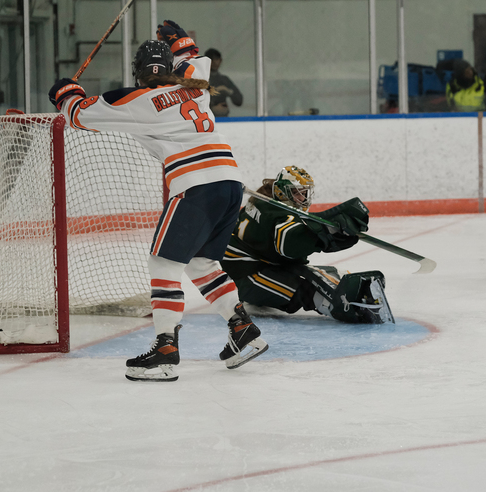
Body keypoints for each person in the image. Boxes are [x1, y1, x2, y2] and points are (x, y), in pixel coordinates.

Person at [48, 34, 268, 382]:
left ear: (137, 73)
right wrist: (180, 41)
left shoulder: (135, 99)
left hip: (195, 185)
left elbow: (77, 115)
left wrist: (64, 89)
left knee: (162, 261)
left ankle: (165, 348)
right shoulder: (197, 85)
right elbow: (194, 58)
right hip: (229, 183)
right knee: (200, 262)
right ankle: (243, 330)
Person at [220, 166, 394, 324]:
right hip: (244, 276)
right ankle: (345, 308)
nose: (302, 198)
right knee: (304, 289)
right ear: (281, 192)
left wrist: (327, 230)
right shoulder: (276, 214)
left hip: (259, 262)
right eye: (296, 193)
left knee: (318, 273)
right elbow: (289, 245)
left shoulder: (262, 201)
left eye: (304, 193)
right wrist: (326, 233)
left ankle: (351, 290)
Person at [203, 48, 243, 117]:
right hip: (206, 119)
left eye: (218, 59)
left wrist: (229, 91)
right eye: (212, 60)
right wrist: (212, 108)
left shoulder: (224, 80)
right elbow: (196, 102)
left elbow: (239, 101)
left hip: (223, 119)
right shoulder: (201, 80)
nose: (216, 62)